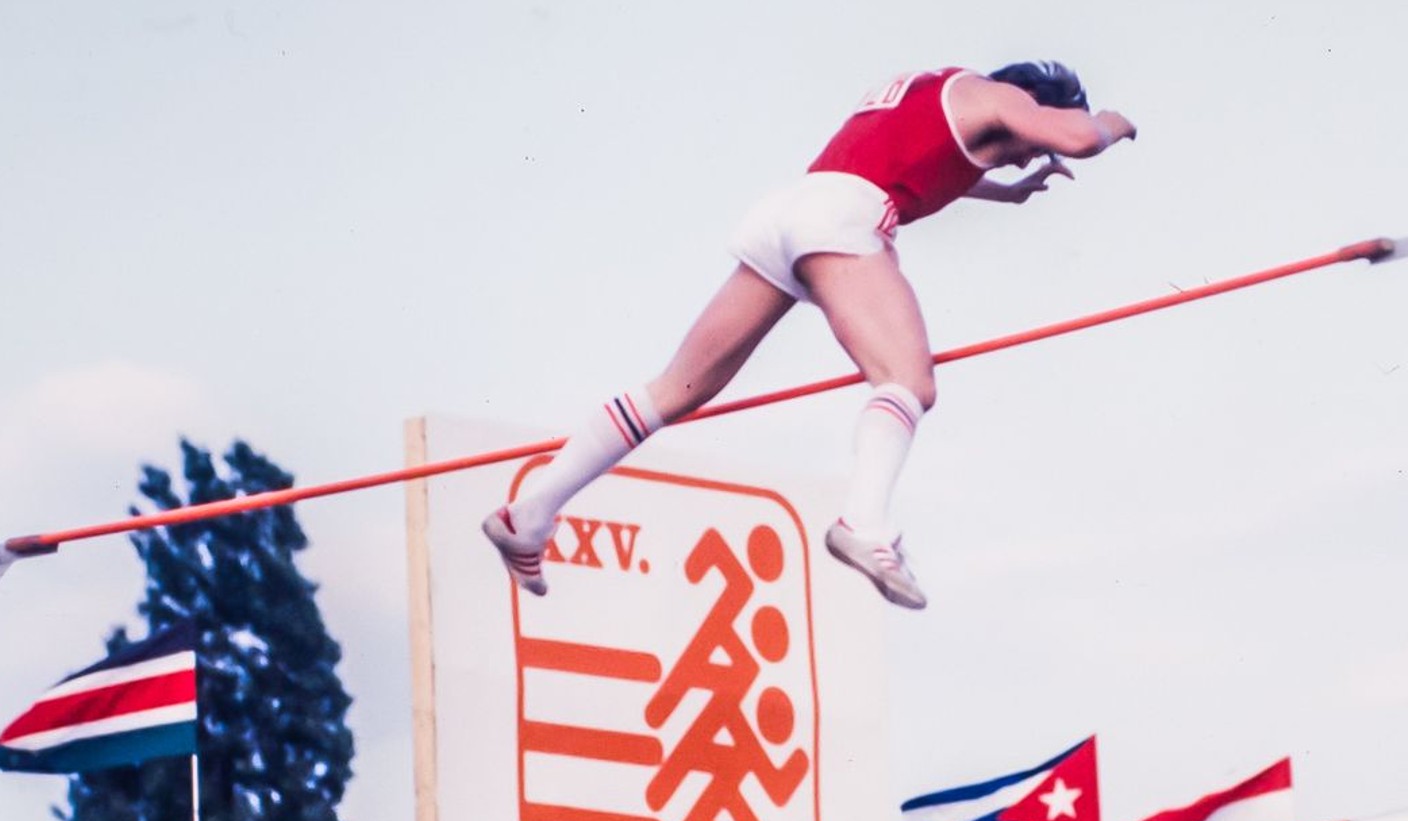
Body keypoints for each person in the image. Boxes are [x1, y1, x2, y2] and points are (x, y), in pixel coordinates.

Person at [481, 62, 1137, 611]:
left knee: (675, 391)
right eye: (1033, 140)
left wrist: (1007, 193)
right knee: (908, 380)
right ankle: (865, 524)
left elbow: (918, 163)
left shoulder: (935, 97)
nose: (1032, 151)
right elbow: (1079, 137)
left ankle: (529, 514)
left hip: (790, 210)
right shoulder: (1001, 95)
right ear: (1036, 102)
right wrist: (1111, 124)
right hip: (842, 215)